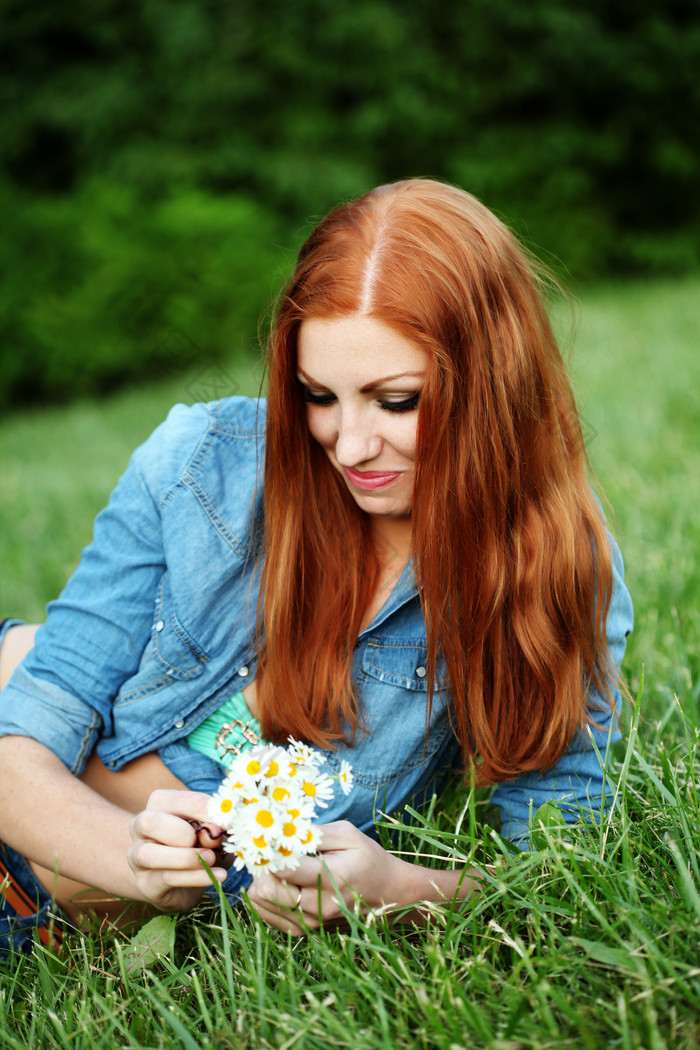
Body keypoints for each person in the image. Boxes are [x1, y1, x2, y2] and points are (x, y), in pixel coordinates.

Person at [0, 179, 633, 949]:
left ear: (492, 385)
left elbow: (563, 867)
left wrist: (400, 890)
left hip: (46, 923)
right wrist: (135, 866)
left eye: (396, 400)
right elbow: (27, 730)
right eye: (317, 396)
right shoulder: (204, 466)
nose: (349, 445)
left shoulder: (555, 569)